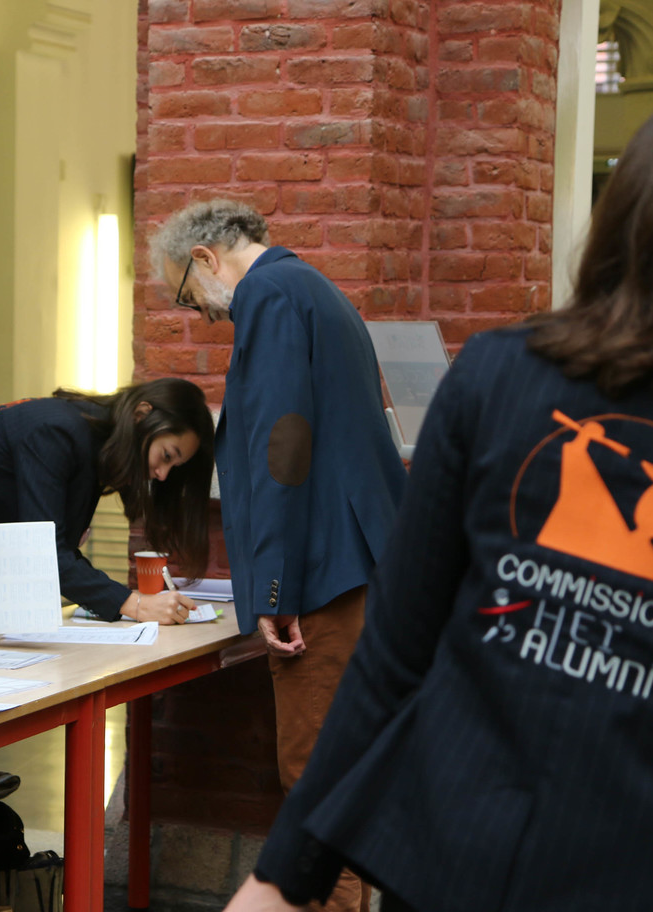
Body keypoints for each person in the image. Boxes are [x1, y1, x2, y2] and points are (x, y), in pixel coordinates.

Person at [225, 90, 653, 912]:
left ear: (624, 221)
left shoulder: (501, 375)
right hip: (641, 870)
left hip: (468, 855)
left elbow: (392, 657)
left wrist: (283, 880)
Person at [150, 199, 407, 912]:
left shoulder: (266, 294)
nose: (204, 316)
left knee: (315, 778)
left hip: (324, 572)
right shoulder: (315, 288)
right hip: (363, 561)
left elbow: (282, 447)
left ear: (205, 258)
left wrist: (273, 590)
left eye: (188, 298)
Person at [0, 378, 215, 635]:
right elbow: (46, 553)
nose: (162, 474)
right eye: (166, 456)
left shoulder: (89, 437)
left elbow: (50, 549)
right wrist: (135, 604)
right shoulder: (58, 431)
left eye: (174, 467)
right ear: (142, 414)